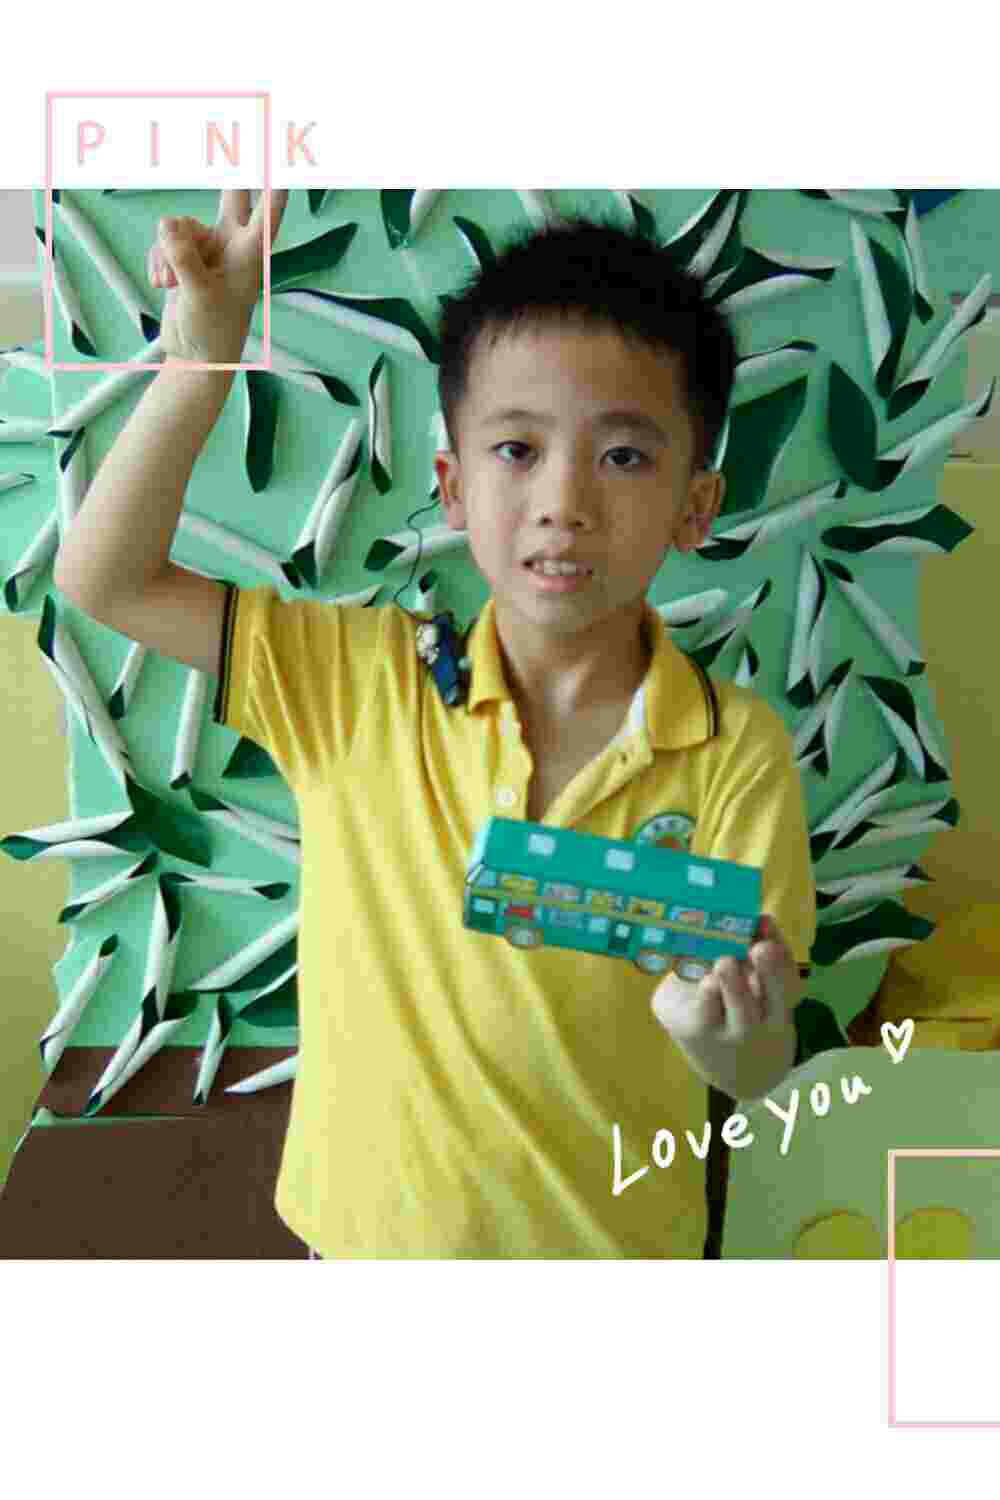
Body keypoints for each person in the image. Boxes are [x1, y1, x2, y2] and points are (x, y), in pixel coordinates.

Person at [54, 190, 816, 1259]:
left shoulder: (737, 752)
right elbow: (104, 578)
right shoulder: (355, 680)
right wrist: (200, 360)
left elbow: (760, 1067)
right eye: (517, 449)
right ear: (451, 487)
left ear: (696, 506)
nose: (563, 501)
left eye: (624, 456)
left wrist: (725, 1040)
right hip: (365, 1254)